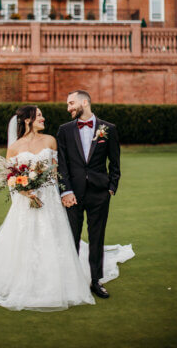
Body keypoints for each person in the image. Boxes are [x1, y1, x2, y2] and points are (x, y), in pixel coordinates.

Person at [0, 104, 134, 311]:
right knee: (26, 238)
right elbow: (10, 176)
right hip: (26, 203)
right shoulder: (14, 147)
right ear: (28, 120)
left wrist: (65, 193)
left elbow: (59, 172)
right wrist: (23, 190)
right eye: (39, 115)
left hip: (50, 200)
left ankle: (58, 278)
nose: (43, 118)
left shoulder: (50, 140)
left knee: (54, 237)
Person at [57, 90, 121, 298]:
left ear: (85, 102)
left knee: (97, 238)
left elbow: (115, 161)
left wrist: (111, 186)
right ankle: (71, 280)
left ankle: (95, 280)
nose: (69, 108)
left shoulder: (108, 128)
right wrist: (65, 190)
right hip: (72, 194)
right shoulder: (64, 130)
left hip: (99, 193)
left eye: (71, 103)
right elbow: (62, 164)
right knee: (72, 238)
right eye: (68, 105)